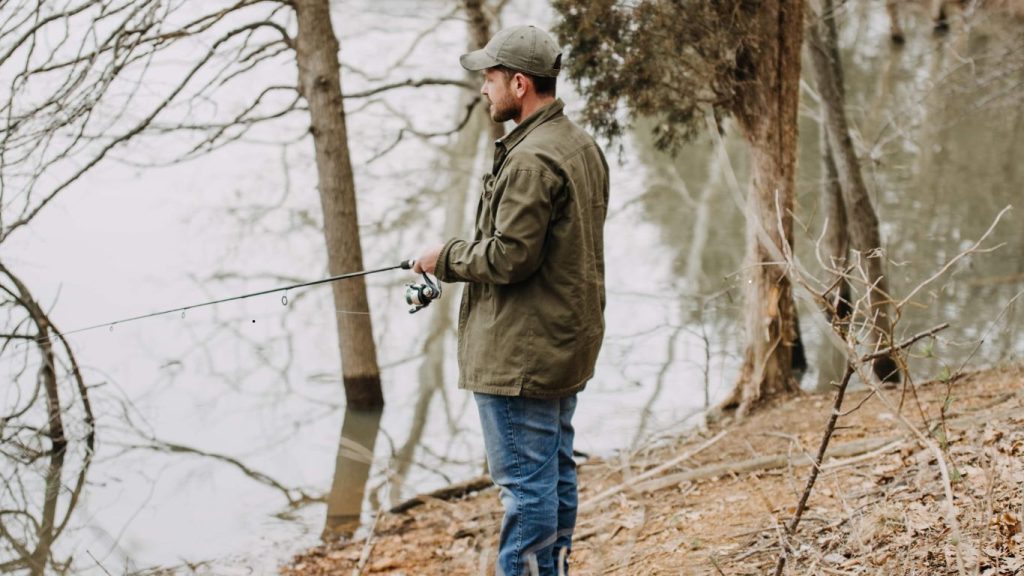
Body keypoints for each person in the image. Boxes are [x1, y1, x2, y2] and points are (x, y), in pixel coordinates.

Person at [413, 24, 608, 576]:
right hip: (562, 343)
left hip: (521, 355)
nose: (483, 88)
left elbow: (508, 258)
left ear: (520, 83)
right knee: (555, 474)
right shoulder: (580, 145)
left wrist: (442, 257)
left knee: (525, 490)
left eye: (490, 77)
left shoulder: (530, 160)